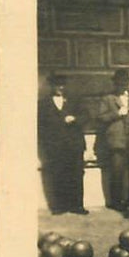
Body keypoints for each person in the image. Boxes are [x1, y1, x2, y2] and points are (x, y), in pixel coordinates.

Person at [38, 74, 88, 215]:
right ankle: (58, 206)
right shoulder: (42, 104)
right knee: (57, 175)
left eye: (62, 85)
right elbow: (40, 127)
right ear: (51, 86)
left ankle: (77, 205)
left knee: (76, 175)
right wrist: (47, 144)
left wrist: (75, 119)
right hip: (54, 146)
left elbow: (87, 116)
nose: (60, 88)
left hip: (74, 145)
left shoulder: (75, 101)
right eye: (57, 85)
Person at [96, 69, 129, 212]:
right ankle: (116, 202)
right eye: (120, 83)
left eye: (125, 83)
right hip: (117, 141)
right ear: (115, 83)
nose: (123, 85)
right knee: (117, 172)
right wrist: (117, 113)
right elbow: (101, 117)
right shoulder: (108, 98)